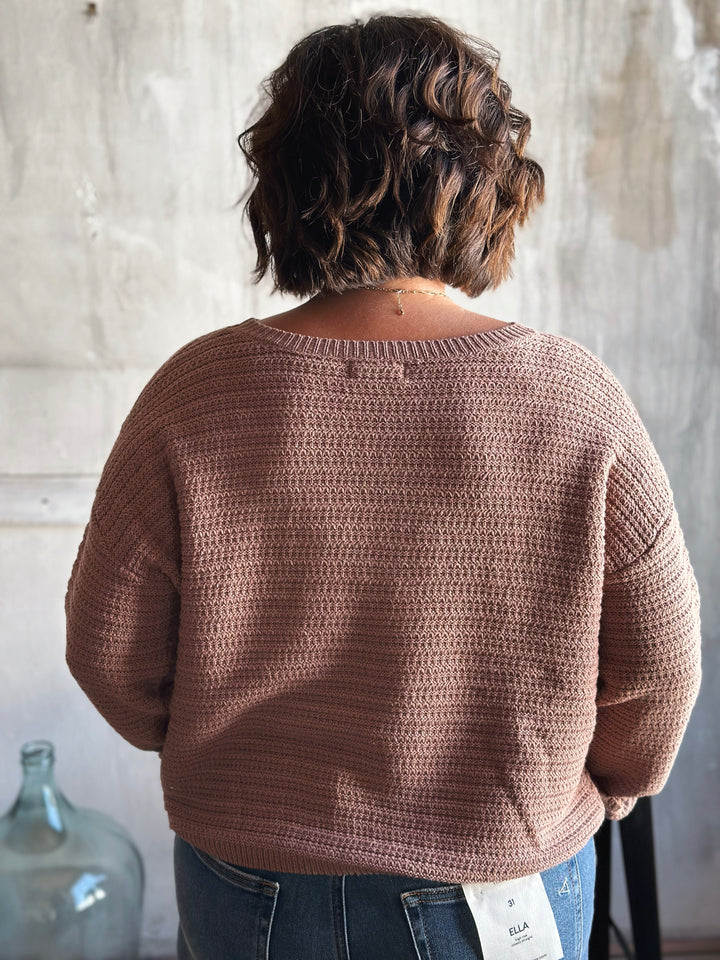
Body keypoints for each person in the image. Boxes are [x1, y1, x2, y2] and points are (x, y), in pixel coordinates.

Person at [64, 13, 702, 960]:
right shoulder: (575, 403)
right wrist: (581, 793)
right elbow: (661, 671)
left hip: (249, 879)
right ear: (485, 187)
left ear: (285, 186)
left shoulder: (195, 396)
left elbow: (107, 650)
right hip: (501, 878)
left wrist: (233, 762)